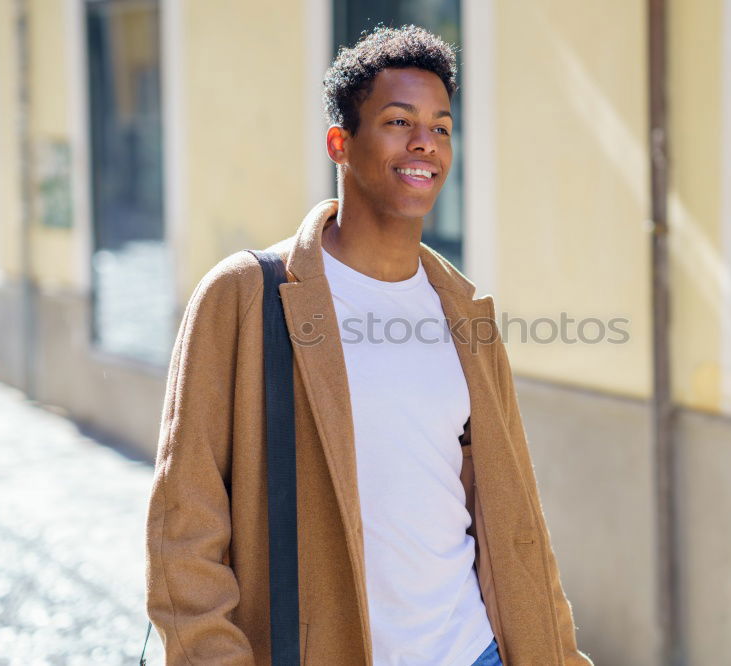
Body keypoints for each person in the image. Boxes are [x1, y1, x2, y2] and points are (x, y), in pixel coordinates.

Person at [145, 24, 593, 666]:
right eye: (398, 121)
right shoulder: (245, 295)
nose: (425, 145)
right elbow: (183, 528)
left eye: (440, 127)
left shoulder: (466, 313)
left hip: (472, 650)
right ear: (341, 143)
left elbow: (515, 523)